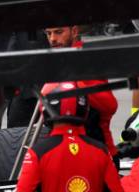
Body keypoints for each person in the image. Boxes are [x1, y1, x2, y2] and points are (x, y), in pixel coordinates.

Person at [44, 25, 118, 155]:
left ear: (74, 31)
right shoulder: (56, 59)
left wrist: (74, 84)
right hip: (65, 150)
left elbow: (109, 105)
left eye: (58, 32)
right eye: (48, 34)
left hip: (98, 150)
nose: (53, 39)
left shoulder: (86, 59)